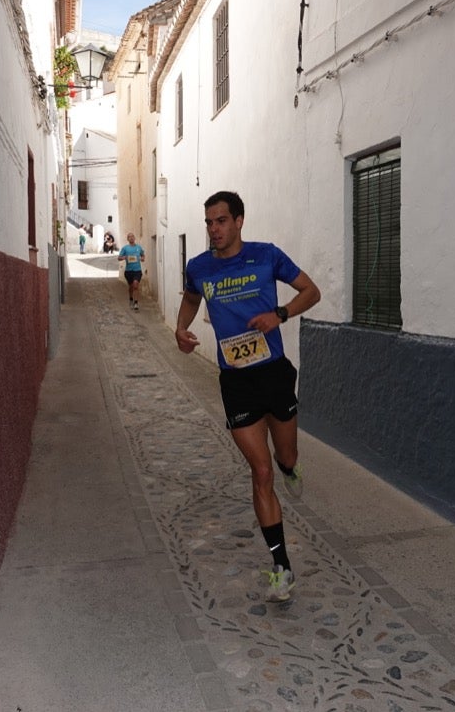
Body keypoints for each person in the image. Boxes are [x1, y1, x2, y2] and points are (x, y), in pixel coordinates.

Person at [174, 190, 321, 602]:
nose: (213, 229)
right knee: (260, 473)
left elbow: (311, 291)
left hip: (273, 375)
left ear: (239, 221)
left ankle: (291, 467)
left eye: (220, 221)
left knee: (284, 459)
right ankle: (282, 566)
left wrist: (280, 315)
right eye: (208, 222)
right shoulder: (199, 268)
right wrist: (181, 330)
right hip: (236, 381)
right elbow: (190, 297)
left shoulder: (266, 255)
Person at [118, 232, 146, 311]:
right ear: (127, 239)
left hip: (137, 270)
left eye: (132, 236)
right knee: (131, 287)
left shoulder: (139, 247)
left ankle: (136, 302)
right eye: (129, 237)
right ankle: (131, 299)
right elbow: (119, 258)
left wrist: (143, 258)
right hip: (128, 271)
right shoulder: (125, 248)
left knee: (135, 285)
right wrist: (124, 257)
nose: (131, 238)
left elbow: (143, 255)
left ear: (134, 238)